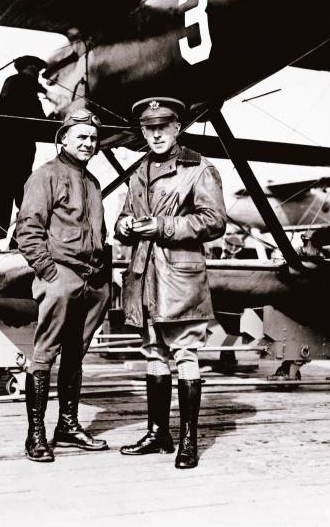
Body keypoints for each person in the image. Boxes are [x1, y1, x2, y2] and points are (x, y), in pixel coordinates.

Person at [115, 97, 227, 469]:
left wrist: (163, 226)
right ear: (143, 132)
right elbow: (124, 217)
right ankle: (158, 433)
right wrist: (124, 226)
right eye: (150, 128)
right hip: (144, 276)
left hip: (179, 277)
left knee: (185, 354)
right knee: (153, 353)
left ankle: (189, 441)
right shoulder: (139, 171)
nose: (157, 134)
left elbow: (214, 221)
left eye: (164, 126)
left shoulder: (198, 168)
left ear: (178, 127)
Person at [16, 108, 110, 462]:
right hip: (61, 275)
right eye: (81, 137)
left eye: (93, 138)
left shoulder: (93, 182)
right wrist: (49, 272)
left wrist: (102, 279)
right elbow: (28, 229)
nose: (88, 143)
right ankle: (36, 434)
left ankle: (67, 426)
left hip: (93, 280)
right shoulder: (45, 176)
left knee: (76, 354)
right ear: (64, 139)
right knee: (44, 355)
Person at [0, 55, 48, 253]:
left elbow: (41, 121)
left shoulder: (27, 92)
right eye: (34, 69)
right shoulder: (15, 82)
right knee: (3, 193)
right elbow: (30, 101)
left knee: (26, 197)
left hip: (18, 152)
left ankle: (20, 241)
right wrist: (48, 92)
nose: (37, 74)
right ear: (24, 68)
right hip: (4, 149)